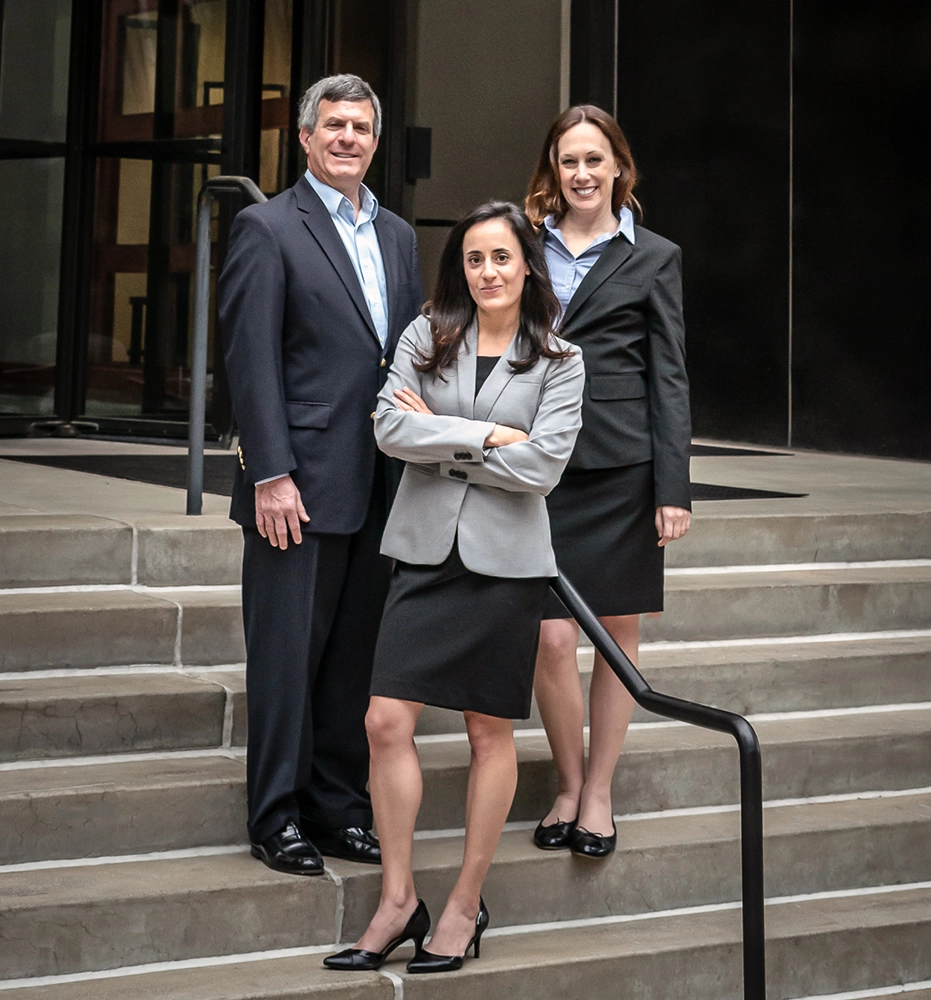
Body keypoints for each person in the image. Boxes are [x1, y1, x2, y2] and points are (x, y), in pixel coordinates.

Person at [324, 202, 584, 974]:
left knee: (486, 734)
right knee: (383, 722)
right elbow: (388, 429)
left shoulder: (562, 359)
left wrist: (444, 440)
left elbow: (542, 468)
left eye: (502, 258)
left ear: (527, 265)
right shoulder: (426, 336)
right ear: (459, 268)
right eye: (474, 260)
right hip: (425, 556)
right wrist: (490, 436)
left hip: (506, 567)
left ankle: (466, 904)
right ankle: (400, 899)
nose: (488, 273)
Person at [219, 74, 423, 875]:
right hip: (295, 488)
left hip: (380, 485)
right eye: (333, 125)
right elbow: (250, 360)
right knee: (286, 658)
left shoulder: (399, 235)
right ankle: (275, 816)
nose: (348, 138)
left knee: (354, 661)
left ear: (376, 141)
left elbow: (404, 354)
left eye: (362, 128)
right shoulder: (266, 228)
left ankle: (338, 808)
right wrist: (270, 472)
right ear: (304, 138)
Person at [524, 104, 692, 860]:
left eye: (596, 160)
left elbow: (670, 378)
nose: (583, 174)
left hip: (623, 470)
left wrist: (673, 486)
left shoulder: (655, 256)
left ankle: (598, 792)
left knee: (616, 640)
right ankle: (566, 779)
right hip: (536, 470)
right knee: (551, 639)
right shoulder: (524, 248)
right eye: (569, 161)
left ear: (619, 167)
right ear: (552, 171)